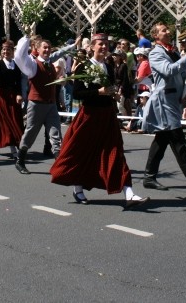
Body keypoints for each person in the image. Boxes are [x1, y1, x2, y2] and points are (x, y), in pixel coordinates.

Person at [50, 33, 149, 209]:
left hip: (106, 115)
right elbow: (77, 94)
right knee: (82, 152)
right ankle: (78, 188)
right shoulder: (84, 67)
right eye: (100, 44)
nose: (104, 47)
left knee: (115, 152)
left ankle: (129, 193)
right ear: (92, 47)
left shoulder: (108, 67)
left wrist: (113, 93)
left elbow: (109, 89)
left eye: (106, 44)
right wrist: (98, 92)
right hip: (89, 115)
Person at [140, 22, 186, 192]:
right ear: (155, 35)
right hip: (164, 102)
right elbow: (169, 71)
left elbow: (183, 74)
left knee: (161, 141)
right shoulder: (155, 53)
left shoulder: (171, 51)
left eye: (167, 29)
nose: (167, 32)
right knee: (178, 142)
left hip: (174, 100)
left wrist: (185, 92)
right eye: (163, 30)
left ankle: (149, 177)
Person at [13, 34, 77, 174]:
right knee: (30, 133)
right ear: (37, 49)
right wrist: (26, 37)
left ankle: (60, 166)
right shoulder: (32, 64)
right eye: (44, 48)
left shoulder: (50, 61)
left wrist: (72, 46)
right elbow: (19, 55)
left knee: (56, 134)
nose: (47, 50)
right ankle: (20, 160)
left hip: (51, 105)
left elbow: (58, 53)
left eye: (49, 48)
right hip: (36, 104)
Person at [0, 40, 24, 158]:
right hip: (2, 95)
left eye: (8, 49)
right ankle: (13, 149)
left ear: (12, 51)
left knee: (15, 119)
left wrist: (19, 94)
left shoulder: (16, 65)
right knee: (6, 120)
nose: (5, 51)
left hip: (13, 96)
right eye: (3, 49)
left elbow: (18, 83)